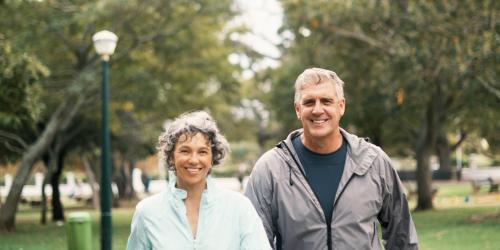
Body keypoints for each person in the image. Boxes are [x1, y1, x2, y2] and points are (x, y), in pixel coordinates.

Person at [245, 68, 418, 250]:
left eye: (326, 101)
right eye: (309, 102)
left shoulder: (374, 162)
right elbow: (252, 242)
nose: (318, 110)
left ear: (341, 106)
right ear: (298, 109)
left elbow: (402, 237)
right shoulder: (270, 169)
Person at [127, 111, 271, 250]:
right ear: (171, 156)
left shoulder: (240, 208)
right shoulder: (147, 212)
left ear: (212, 158)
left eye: (202, 152)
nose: (194, 160)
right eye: (185, 151)